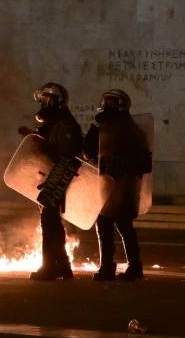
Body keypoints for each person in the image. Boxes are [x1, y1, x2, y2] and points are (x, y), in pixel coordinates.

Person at [83, 89, 151, 282]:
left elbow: (143, 162)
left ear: (121, 105)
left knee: (113, 225)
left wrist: (119, 165)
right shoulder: (109, 128)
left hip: (122, 186)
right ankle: (128, 266)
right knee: (116, 226)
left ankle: (114, 267)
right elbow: (87, 154)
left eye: (110, 102)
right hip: (111, 186)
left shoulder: (129, 130)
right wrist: (92, 137)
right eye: (105, 101)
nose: (106, 105)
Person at [23, 83, 83, 281]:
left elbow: (66, 156)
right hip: (51, 176)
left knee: (50, 222)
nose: (43, 104)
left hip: (58, 177)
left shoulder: (66, 125)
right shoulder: (56, 124)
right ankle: (63, 267)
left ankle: (49, 267)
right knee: (52, 223)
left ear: (56, 102)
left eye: (47, 100)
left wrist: (53, 178)